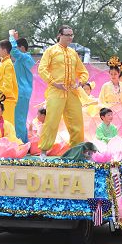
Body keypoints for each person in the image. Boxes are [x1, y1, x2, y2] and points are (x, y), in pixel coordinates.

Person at [37, 25, 89, 158]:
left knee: (77, 122)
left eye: (72, 35)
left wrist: (82, 81)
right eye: (67, 35)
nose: (70, 38)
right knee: (52, 121)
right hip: (55, 91)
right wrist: (54, 82)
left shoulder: (73, 53)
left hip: (72, 92)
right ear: (59, 35)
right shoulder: (51, 51)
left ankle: (77, 151)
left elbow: (83, 71)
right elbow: (42, 69)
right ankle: (43, 150)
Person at [9, 29, 35, 143]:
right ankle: (23, 142)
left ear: (22, 48)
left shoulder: (26, 58)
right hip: (21, 92)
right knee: (20, 119)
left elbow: (14, 52)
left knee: (19, 119)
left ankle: (20, 143)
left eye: (17, 47)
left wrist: (11, 37)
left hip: (22, 92)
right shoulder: (22, 60)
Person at [0, 38, 19, 126]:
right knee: (2, 126)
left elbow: (7, 85)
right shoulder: (5, 63)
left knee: (7, 126)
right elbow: (0, 76)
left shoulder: (8, 64)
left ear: (4, 50)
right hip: (3, 99)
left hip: (6, 100)